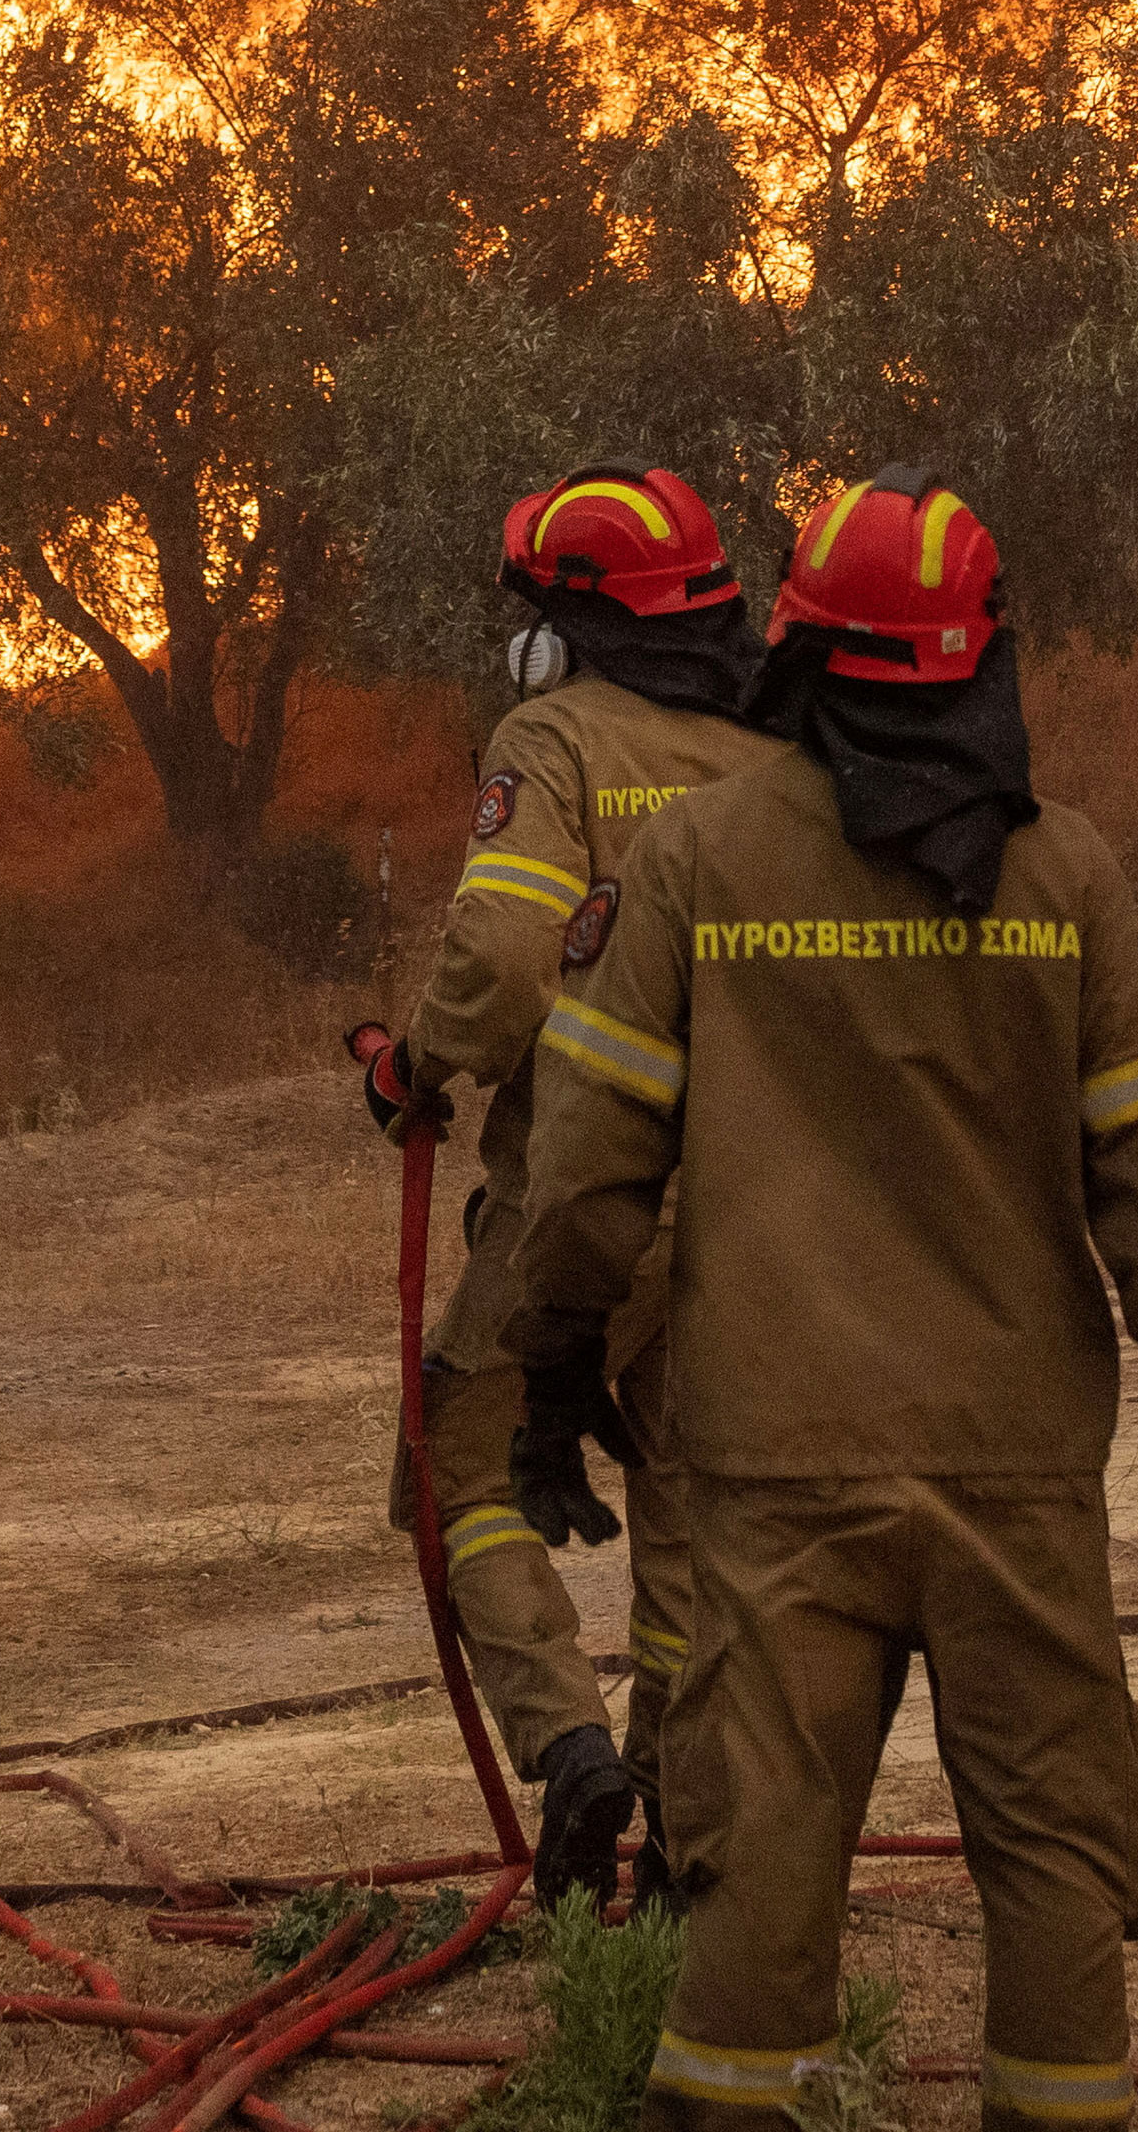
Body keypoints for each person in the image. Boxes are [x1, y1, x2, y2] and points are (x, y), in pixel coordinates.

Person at [501, 472, 1138, 2130]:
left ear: (797, 645)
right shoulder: (1065, 875)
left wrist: (552, 1371)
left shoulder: (698, 859)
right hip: (1017, 1465)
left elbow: (587, 1168)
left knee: (765, 1835)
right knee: (1052, 1843)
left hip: (777, 1459)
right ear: (984, 654)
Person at [377, 465, 784, 1905]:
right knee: (687, 1500)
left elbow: (502, 958)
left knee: (455, 1465)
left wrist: (415, 1063)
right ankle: (680, 1822)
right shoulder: (770, 753)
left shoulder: (550, 738)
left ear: (566, 630)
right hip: (752, 1196)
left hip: (593, 1191)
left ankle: (568, 1744)